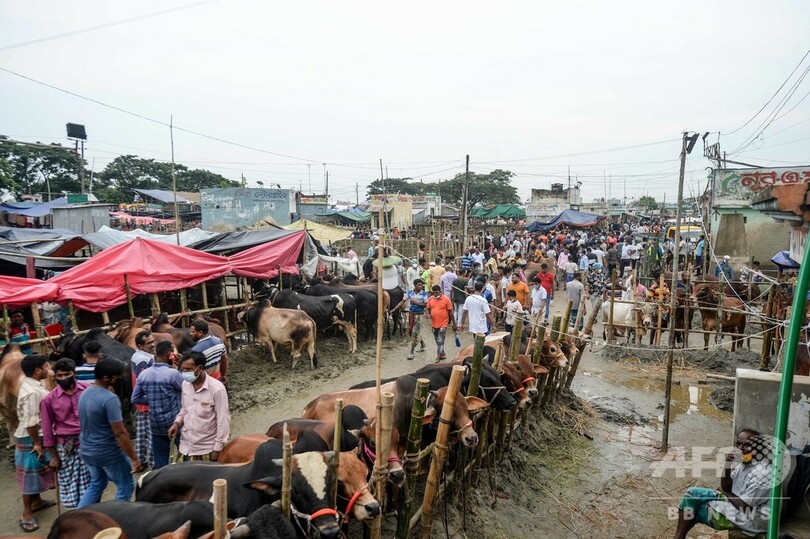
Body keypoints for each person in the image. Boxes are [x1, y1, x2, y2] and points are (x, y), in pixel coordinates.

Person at [674, 429, 772, 539]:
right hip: (735, 503)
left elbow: (744, 506)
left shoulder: (763, 474)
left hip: (751, 520)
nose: (741, 448)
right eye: (739, 444)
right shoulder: (745, 465)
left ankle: (679, 537)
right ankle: (679, 536)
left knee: (693, 510)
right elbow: (726, 486)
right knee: (692, 494)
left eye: (747, 445)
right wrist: (727, 465)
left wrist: (727, 492)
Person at [77, 357, 143, 508]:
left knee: (97, 484)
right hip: (107, 452)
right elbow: (120, 433)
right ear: (106, 378)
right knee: (126, 486)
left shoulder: (85, 393)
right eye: (117, 376)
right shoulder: (109, 399)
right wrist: (134, 458)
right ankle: (116, 519)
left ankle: (78, 515)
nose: (119, 379)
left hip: (87, 450)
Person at [40, 358, 91, 510]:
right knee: (69, 484)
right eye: (59, 376)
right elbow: (47, 430)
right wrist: (54, 457)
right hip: (66, 446)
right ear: (55, 376)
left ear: (74, 373)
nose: (63, 378)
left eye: (66, 374)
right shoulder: (48, 399)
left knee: (92, 482)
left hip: (88, 443)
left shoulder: (87, 390)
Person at [15, 355, 54, 532]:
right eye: (47, 366)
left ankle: (37, 502)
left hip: (33, 435)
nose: (49, 368)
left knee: (36, 470)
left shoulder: (32, 384)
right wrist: (37, 443)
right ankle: (27, 513)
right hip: (30, 436)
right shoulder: (32, 392)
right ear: (38, 370)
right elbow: (31, 422)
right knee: (29, 474)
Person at [168, 351, 230, 461]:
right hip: (185, 446)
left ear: (200, 368)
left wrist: (218, 448)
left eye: (188, 369)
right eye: (183, 369)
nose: (185, 372)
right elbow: (185, 408)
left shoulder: (217, 389)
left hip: (206, 449)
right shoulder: (185, 385)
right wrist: (177, 422)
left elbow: (223, 420)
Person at [131, 340, 184, 469]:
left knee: (160, 459)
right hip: (175, 422)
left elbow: (135, 398)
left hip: (155, 423)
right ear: (169, 355)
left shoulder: (143, 374)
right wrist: (181, 365)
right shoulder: (173, 374)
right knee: (185, 450)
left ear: (155, 356)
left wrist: (153, 400)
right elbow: (188, 390)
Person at [131, 331, 155, 469]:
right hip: (147, 401)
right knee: (151, 434)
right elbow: (145, 381)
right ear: (140, 345)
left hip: (140, 401)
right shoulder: (143, 360)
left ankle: (140, 460)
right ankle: (153, 463)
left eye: (152, 341)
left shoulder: (137, 356)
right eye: (149, 343)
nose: (152, 344)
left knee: (141, 433)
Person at [426, 285, 456, 362]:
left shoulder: (446, 299)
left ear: (440, 291)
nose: (435, 294)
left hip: (443, 323)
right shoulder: (431, 299)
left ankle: (438, 356)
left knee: (440, 340)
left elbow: (451, 312)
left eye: (436, 292)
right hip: (434, 323)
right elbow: (428, 308)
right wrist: (428, 314)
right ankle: (442, 353)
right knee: (437, 339)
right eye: (434, 293)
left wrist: (454, 323)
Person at [406, 279, 429, 360]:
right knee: (412, 331)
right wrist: (394, 309)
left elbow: (426, 305)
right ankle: (422, 344)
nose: (420, 286)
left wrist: (416, 303)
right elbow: (403, 301)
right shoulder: (409, 292)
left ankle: (411, 352)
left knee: (415, 333)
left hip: (419, 315)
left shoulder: (424, 294)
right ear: (415, 285)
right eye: (419, 285)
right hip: (411, 314)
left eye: (421, 285)